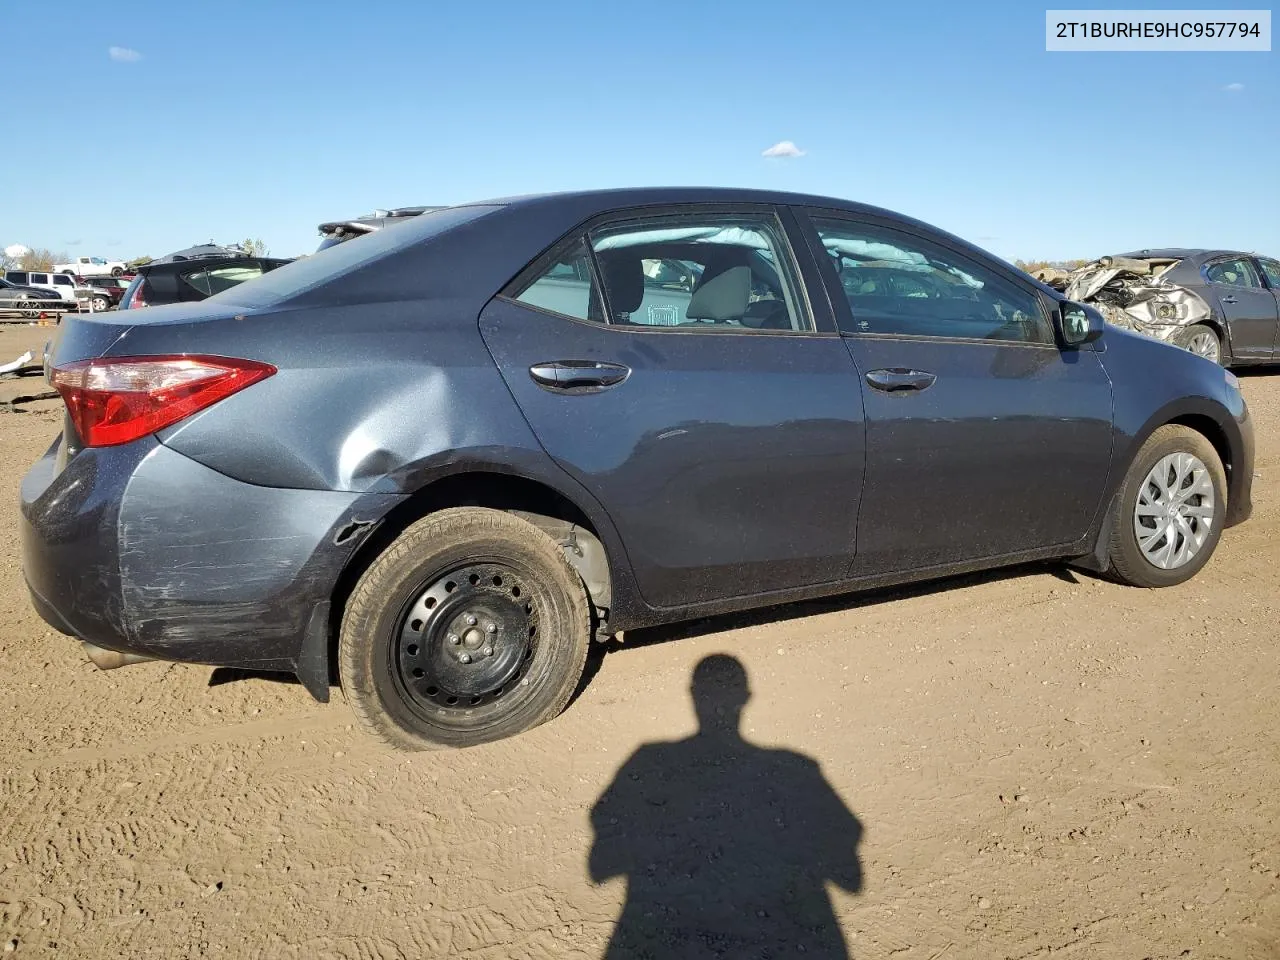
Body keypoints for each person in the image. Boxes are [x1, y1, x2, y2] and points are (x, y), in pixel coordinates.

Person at [590, 654, 863, 958]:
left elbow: (600, 866)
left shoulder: (648, 759)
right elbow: (850, 876)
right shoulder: (797, 768)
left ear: (692, 696)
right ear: (746, 699)